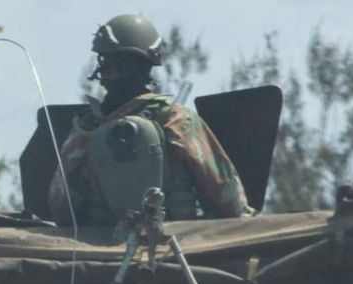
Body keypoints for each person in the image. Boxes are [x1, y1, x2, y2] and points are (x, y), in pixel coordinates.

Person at [49, 14, 252, 225]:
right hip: (174, 250)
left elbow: (60, 206)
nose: (111, 73)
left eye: (118, 64)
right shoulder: (178, 120)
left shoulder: (86, 128)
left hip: (100, 254)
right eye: (109, 65)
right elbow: (229, 200)